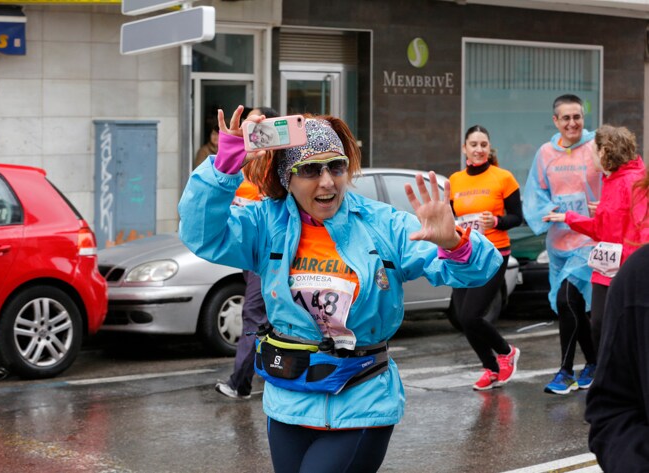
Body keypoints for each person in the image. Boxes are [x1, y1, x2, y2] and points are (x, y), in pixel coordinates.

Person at [178, 105, 501, 473]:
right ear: (287, 177)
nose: (328, 181)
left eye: (337, 166)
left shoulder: (383, 224)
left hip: (360, 400)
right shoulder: (266, 222)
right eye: (311, 170)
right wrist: (222, 170)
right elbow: (201, 235)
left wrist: (456, 243)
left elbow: (479, 271)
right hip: (288, 400)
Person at [542, 125, 647, 356]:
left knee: (618, 328)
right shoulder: (609, 180)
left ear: (604, 151)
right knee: (600, 326)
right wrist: (569, 217)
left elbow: (643, 234)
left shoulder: (636, 181)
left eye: (593, 151)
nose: (590, 157)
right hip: (604, 268)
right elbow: (601, 230)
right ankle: (606, 376)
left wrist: (631, 269)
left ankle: (621, 380)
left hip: (624, 271)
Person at [523, 94, 603, 395]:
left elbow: (614, 180)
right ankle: (594, 362)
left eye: (577, 117)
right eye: (566, 118)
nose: (573, 123)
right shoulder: (545, 153)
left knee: (566, 299)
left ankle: (565, 371)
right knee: (573, 305)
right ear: (556, 121)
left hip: (590, 239)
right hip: (559, 241)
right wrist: (545, 212)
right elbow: (536, 191)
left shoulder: (597, 146)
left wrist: (605, 206)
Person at [449, 125, 522, 391]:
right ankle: (490, 368)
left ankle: (506, 352)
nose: (479, 150)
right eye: (474, 145)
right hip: (463, 254)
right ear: (465, 148)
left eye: (483, 145)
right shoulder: (455, 180)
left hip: (494, 254)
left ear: (489, 148)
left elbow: (517, 217)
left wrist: (498, 220)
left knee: (471, 316)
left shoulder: (503, 178)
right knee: (461, 316)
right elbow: (450, 218)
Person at [216, 106, 279, 400]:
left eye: (259, 124)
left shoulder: (273, 160)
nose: (251, 128)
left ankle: (239, 382)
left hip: (266, 252)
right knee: (265, 315)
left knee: (254, 313)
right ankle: (276, 370)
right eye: (249, 123)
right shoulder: (245, 165)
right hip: (249, 251)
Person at [585, 243, 649, 472]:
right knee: (573, 308)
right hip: (610, 268)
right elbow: (612, 410)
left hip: (621, 260)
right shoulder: (640, 274)